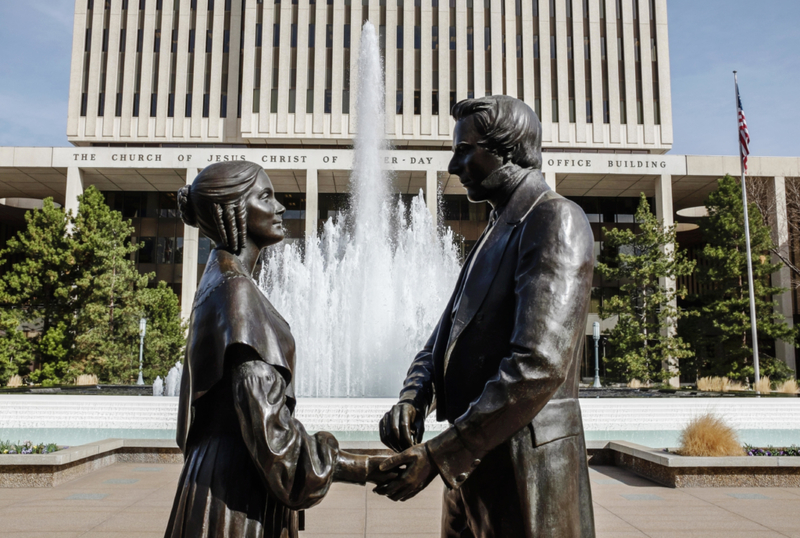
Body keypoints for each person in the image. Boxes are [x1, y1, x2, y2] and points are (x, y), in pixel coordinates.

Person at [377, 96, 596, 537]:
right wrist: (413, 396)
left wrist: (440, 454)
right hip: (474, 469)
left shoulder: (555, 219)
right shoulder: (494, 230)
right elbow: (444, 334)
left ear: (507, 150)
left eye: (464, 150)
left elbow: (538, 365)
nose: (454, 165)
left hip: (524, 472)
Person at [165, 161, 392, 538]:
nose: (280, 207)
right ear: (232, 210)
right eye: (266, 196)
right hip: (236, 495)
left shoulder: (217, 281)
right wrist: (363, 467)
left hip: (216, 478)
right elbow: (274, 441)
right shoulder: (237, 293)